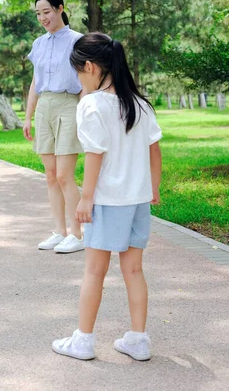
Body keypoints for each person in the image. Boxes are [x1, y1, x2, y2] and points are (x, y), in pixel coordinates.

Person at [52, 33, 163, 361]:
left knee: (94, 271)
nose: (77, 79)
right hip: (137, 201)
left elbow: (94, 154)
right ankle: (139, 339)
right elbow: (154, 149)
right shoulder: (140, 103)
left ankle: (84, 340)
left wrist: (85, 199)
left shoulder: (92, 104)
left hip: (108, 202)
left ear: (89, 66)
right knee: (133, 270)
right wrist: (154, 188)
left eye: (78, 72)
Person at [23, 0, 85, 254]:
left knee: (64, 175)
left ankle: (78, 234)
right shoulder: (39, 44)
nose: (42, 18)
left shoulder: (78, 41)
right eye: (38, 14)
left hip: (69, 105)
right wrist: (28, 116)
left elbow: (86, 81)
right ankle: (59, 232)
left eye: (46, 12)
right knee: (50, 176)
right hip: (45, 107)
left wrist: (86, 112)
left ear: (60, 8)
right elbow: (36, 83)